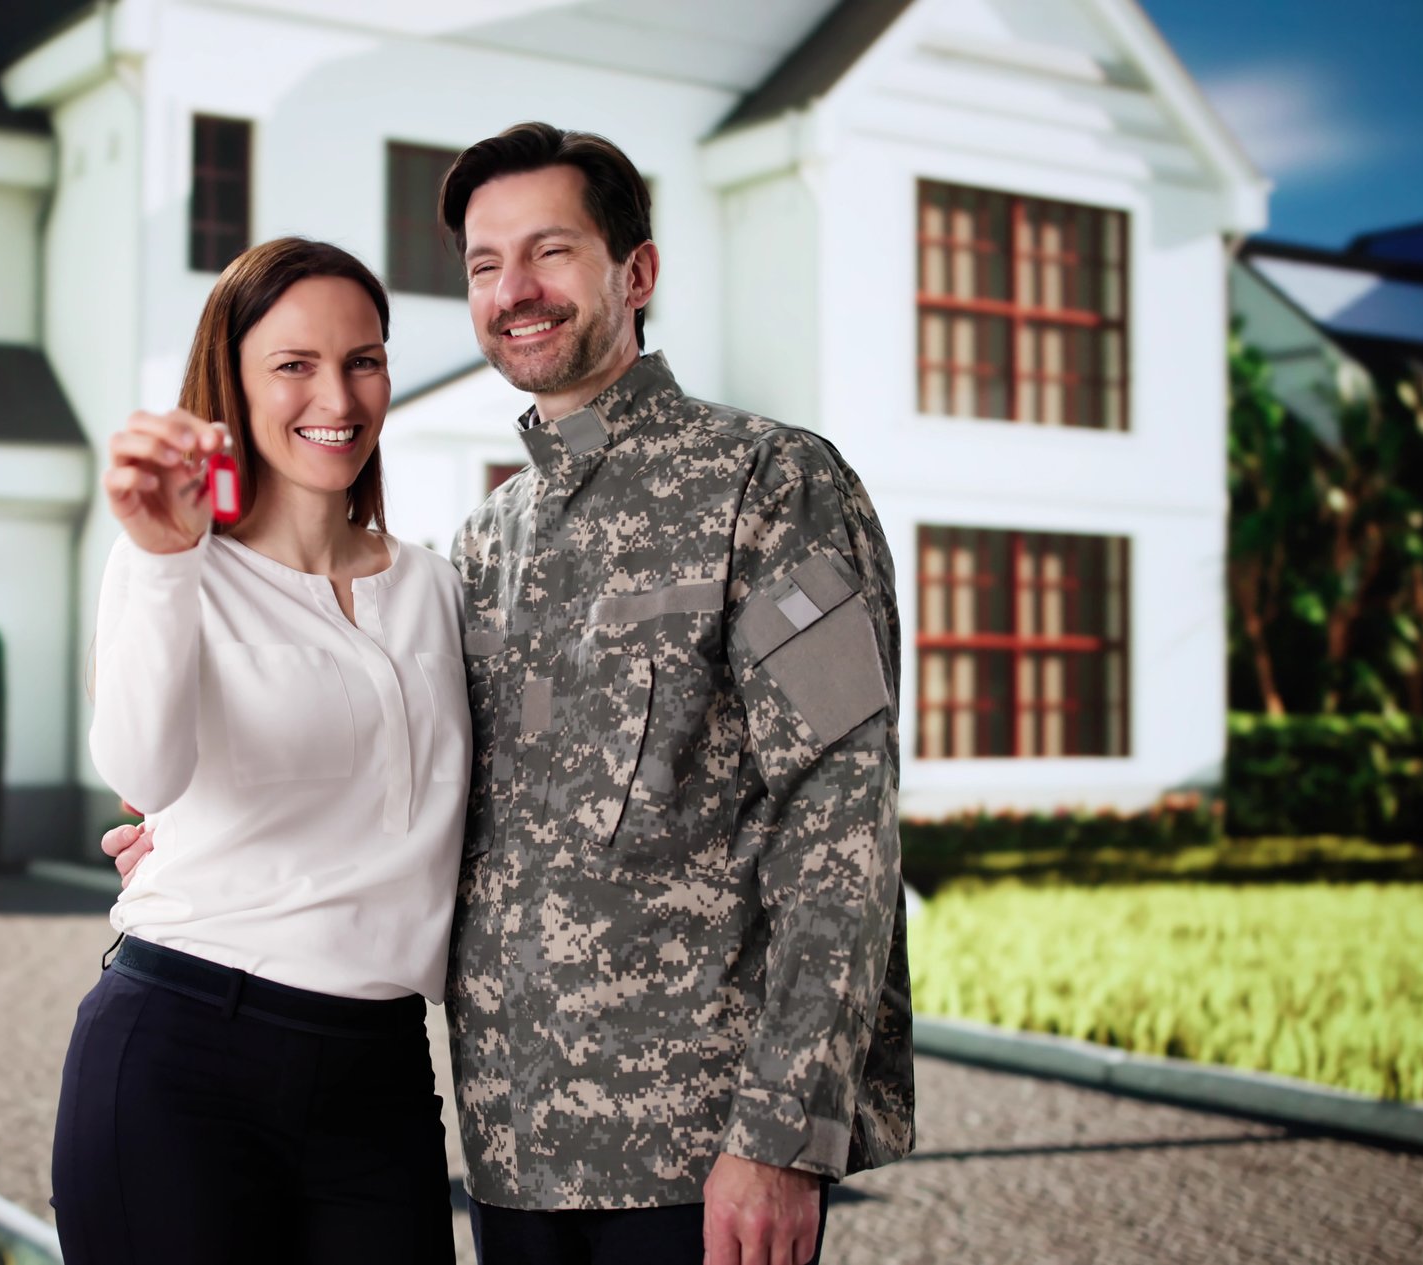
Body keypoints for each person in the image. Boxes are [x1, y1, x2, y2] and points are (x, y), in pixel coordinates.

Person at [107, 122, 914, 1265]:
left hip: (696, 1150)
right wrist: (211, 841)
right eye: (485, 265)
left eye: (551, 253)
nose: (515, 291)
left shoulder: (772, 484)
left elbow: (843, 813)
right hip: (511, 1150)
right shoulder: (482, 550)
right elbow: (424, 784)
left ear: (635, 272)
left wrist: (786, 1130)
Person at [53, 236, 465, 1265]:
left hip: (380, 1070)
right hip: (185, 1047)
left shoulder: (439, 589)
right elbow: (143, 773)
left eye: (364, 358)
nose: (339, 392)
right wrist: (161, 556)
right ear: (232, 383)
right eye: (294, 363)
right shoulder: (173, 564)